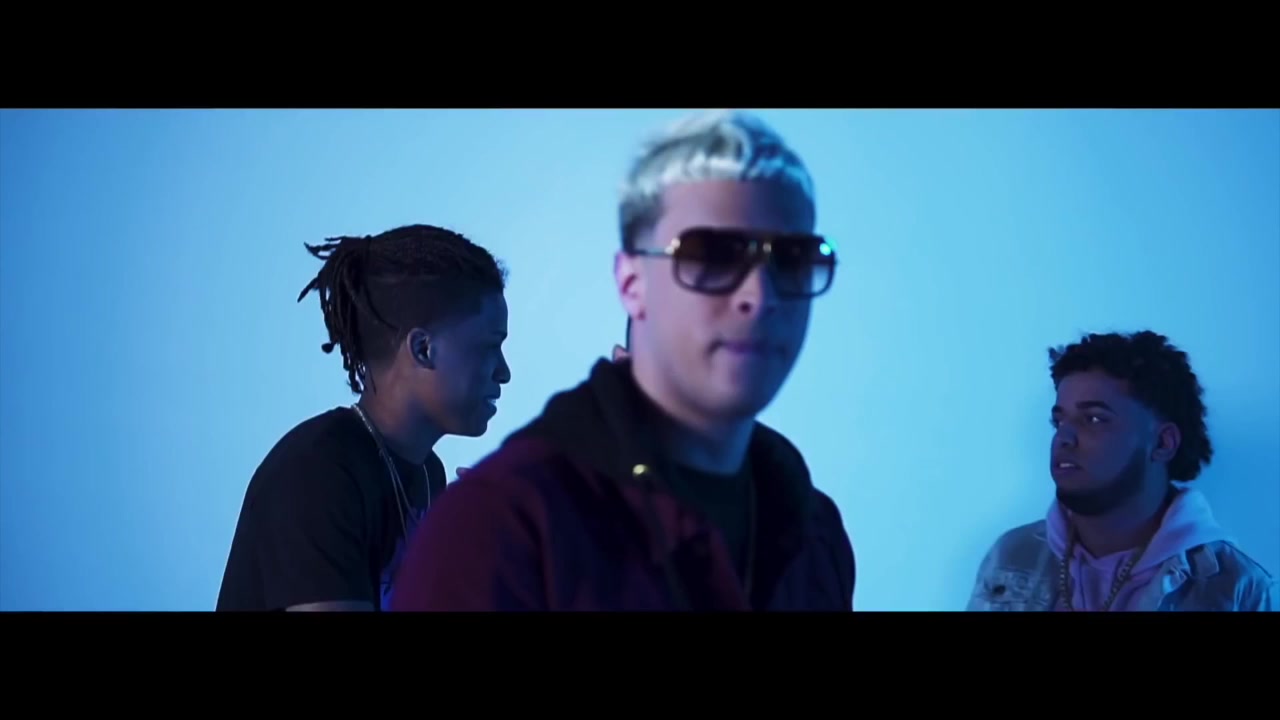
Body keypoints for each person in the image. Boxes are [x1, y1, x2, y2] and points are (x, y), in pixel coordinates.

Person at [390, 110, 855, 611]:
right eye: (713, 256)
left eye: (791, 259)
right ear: (631, 283)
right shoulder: (496, 526)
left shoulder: (816, 531)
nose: (759, 297)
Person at [216, 224, 511, 611]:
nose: (504, 372)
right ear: (423, 349)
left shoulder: (427, 475)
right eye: (489, 347)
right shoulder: (317, 473)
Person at [968, 330, 1276, 611]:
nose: (1064, 437)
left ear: (1163, 443)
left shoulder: (1236, 588)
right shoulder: (1012, 554)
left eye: (1094, 419)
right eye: (1059, 421)